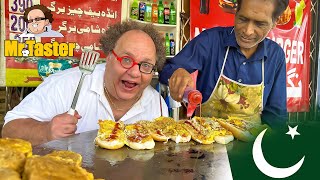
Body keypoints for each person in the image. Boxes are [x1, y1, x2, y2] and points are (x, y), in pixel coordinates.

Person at [2, 21, 168, 145]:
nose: (134, 72)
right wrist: (46, 131)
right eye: (126, 59)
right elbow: (9, 130)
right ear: (109, 57)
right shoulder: (65, 85)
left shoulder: (157, 105)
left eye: (145, 65)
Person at [159, 0, 289, 127]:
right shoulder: (210, 41)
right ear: (236, 11)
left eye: (260, 24)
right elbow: (166, 70)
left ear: (274, 22)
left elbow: (275, 116)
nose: (248, 31)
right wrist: (177, 73)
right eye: (243, 19)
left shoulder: (275, 55)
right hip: (205, 139)